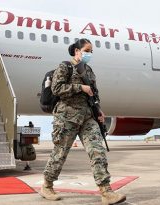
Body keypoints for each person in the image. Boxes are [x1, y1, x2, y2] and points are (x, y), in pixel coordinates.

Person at [39, 39, 126, 204]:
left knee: (97, 151)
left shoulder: (89, 71)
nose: (89, 54)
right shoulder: (65, 67)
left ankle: (106, 191)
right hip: (67, 117)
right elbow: (56, 89)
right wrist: (79, 88)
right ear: (77, 51)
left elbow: (94, 93)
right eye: (87, 50)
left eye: (91, 51)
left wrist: (99, 110)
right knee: (60, 153)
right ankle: (47, 186)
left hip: (87, 116)